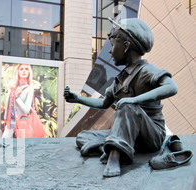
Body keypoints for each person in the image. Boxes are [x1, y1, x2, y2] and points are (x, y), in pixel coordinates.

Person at [64, 18, 178, 177]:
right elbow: (104, 103)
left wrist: (133, 100)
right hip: (129, 135)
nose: (110, 51)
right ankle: (113, 147)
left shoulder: (146, 70)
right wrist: (77, 99)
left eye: (112, 45)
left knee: (127, 106)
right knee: (83, 136)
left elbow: (172, 87)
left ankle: (114, 158)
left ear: (125, 46)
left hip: (150, 136)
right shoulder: (120, 79)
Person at [2, 64, 46, 138]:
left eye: (26, 69)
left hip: (22, 122)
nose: (24, 71)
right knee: (3, 143)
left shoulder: (29, 89)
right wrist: (6, 119)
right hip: (11, 122)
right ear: (18, 72)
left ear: (29, 73)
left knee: (21, 147)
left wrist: (17, 97)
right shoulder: (13, 88)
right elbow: (8, 106)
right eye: (21, 69)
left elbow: (26, 110)